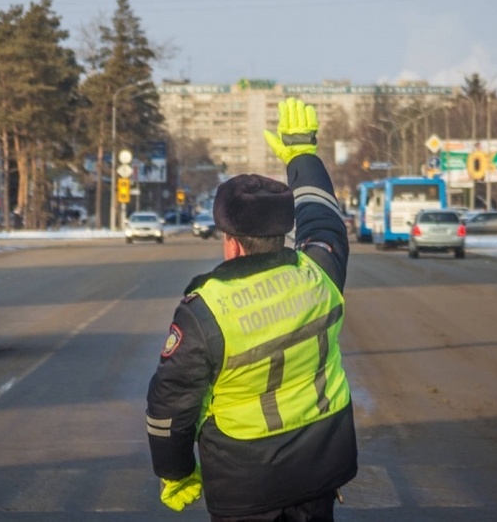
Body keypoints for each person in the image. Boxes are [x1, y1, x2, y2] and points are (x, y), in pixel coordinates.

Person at [146, 97, 357, 521]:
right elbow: (324, 222)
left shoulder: (205, 313)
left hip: (245, 492)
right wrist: (302, 155)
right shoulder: (318, 274)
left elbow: (170, 407)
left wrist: (176, 471)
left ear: (232, 240)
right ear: (282, 234)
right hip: (319, 477)